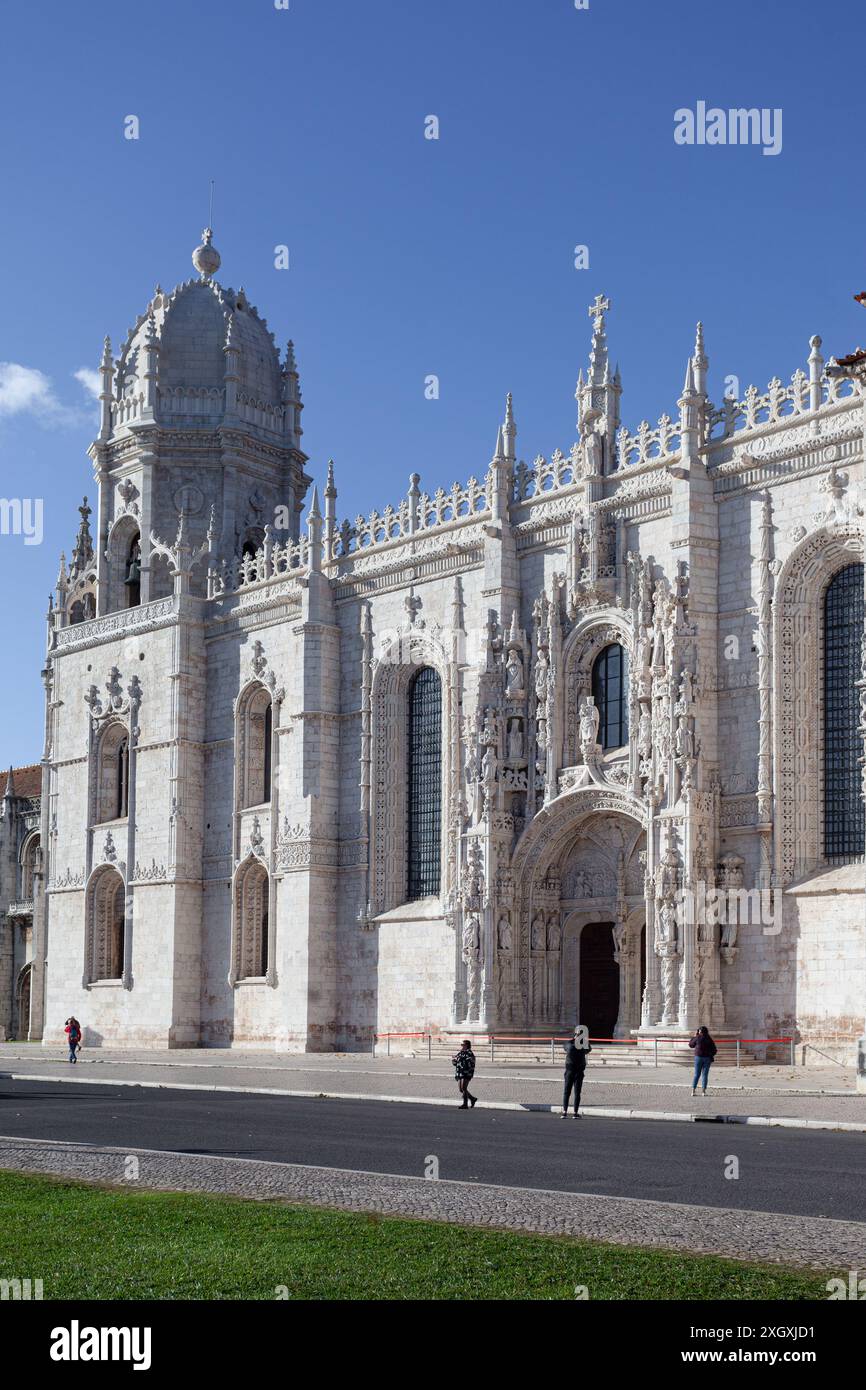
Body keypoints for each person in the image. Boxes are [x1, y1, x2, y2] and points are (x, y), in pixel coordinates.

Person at [561, 1031, 592, 1117]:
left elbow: (565, 1046)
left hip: (569, 1071)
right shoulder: (583, 1046)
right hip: (579, 1072)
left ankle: (564, 1112)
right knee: (577, 1093)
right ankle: (575, 1113)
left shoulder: (569, 1045)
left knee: (566, 1092)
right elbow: (589, 1049)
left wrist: (574, 1039)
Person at [689, 1025, 717, 1095]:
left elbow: (691, 1045)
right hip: (707, 1058)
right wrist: (710, 1055)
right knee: (705, 1075)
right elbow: (714, 1050)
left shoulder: (697, 1038)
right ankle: (703, 1092)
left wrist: (694, 1036)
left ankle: (693, 1091)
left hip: (698, 1057)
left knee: (696, 1074)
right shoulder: (709, 1038)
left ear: (699, 1032)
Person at [452, 1039, 477, 1109]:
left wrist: (461, 1061)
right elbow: (456, 1060)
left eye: (463, 1045)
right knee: (461, 1089)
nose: (461, 1046)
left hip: (466, 1072)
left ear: (466, 1045)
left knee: (464, 1088)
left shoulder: (469, 1053)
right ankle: (472, 1099)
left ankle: (465, 1104)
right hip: (460, 1072)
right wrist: (454, 1061)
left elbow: (470, 1063)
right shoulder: (461, 1052)